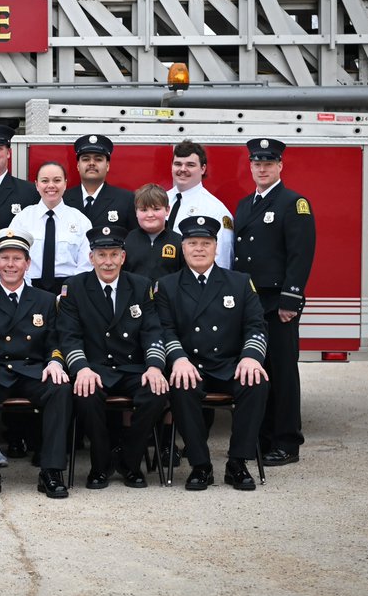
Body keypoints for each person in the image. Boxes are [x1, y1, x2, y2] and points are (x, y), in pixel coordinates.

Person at [154, 216, 269, 491]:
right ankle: (200, 465)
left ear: (216, 247)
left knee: (257, 381)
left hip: (229, 364)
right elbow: (164, 329)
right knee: (181, 385)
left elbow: (256, 325)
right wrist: (179, 359)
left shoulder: (239, 282)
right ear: (183, 248)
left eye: (206, 243)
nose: (199, 248)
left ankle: (238, 462)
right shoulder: (168, 286)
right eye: (192, 243)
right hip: (191, 365)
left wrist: (251, 357)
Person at [57, 225, 169, 488]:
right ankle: (100, 464)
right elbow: (69, 335)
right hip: (94, 368)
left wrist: (154, 366)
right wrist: (81, 368)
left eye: (113, 254)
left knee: (156, 392)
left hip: (131, 367)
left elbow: (152, 331)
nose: (108, 262)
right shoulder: (75, 288)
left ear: (123, 257)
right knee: (85, 393)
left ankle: (130, 461)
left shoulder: (140, 286)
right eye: (101, 255)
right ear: (91, 257)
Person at [0, 229, 72, 500]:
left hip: (33, 370)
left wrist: (55, 362)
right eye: (4, 258)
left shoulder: (46, 300)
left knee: (59, 389)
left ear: (27, 263)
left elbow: (54, 341)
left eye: (16, 258)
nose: (10, 264)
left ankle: (51, 471)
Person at [232, 138, 316, 467]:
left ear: (280, 166)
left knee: (282, 374)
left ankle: (287, 443)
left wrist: (291, 299)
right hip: (250, 302)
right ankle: (263, 439)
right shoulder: (243, 205)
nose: (262, 168)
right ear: (250, 166)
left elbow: (301, 254)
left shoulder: (294, 203)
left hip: (277, 301)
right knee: (258, 373)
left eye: (269, 163)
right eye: (257, 163)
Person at [8, 160, 93, 295]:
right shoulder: (22, 219)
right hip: (29, 288)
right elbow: (12, 257)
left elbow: (86, 264)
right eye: (45, 181)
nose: (51, 185)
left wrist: (70, 291)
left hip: (70, 290)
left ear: (65, 183)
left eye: (57, 180)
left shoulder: (81, 220)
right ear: (37, 185)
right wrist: (27, 289)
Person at [165, 140, 234, 268]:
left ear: (203, 169)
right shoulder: (160, 201)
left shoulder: (216, 209)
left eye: (190, 165)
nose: (182, 169)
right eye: (178, 164)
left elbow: (222, 260)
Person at [61, 134, 136, 228]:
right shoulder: (62, 199)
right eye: (86, 159)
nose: (91, 163)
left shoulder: (126, 200)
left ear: (107, 166)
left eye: (98, 159)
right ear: (78, 166)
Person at [124, 183, 187, 282]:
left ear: (167, 210)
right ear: (136, 211)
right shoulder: (127, 241)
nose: (150, 215)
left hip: (169, 297)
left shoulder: (180, 242)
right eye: (144, 210)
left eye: (156, 209)